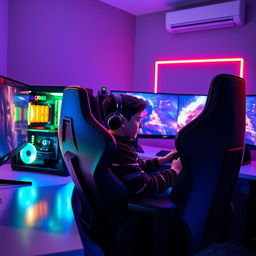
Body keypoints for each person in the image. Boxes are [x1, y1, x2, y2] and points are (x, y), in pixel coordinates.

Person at [102, 94, 183, 196]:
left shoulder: (113, 142)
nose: (141, 124)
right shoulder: (120, 149)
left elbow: (137, 166)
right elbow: (145, 187)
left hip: (126, 194)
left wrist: (163, 160)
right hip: (133, 200)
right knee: (179, 192)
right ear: (121, 121)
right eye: (137, 119)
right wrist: (174, 171)